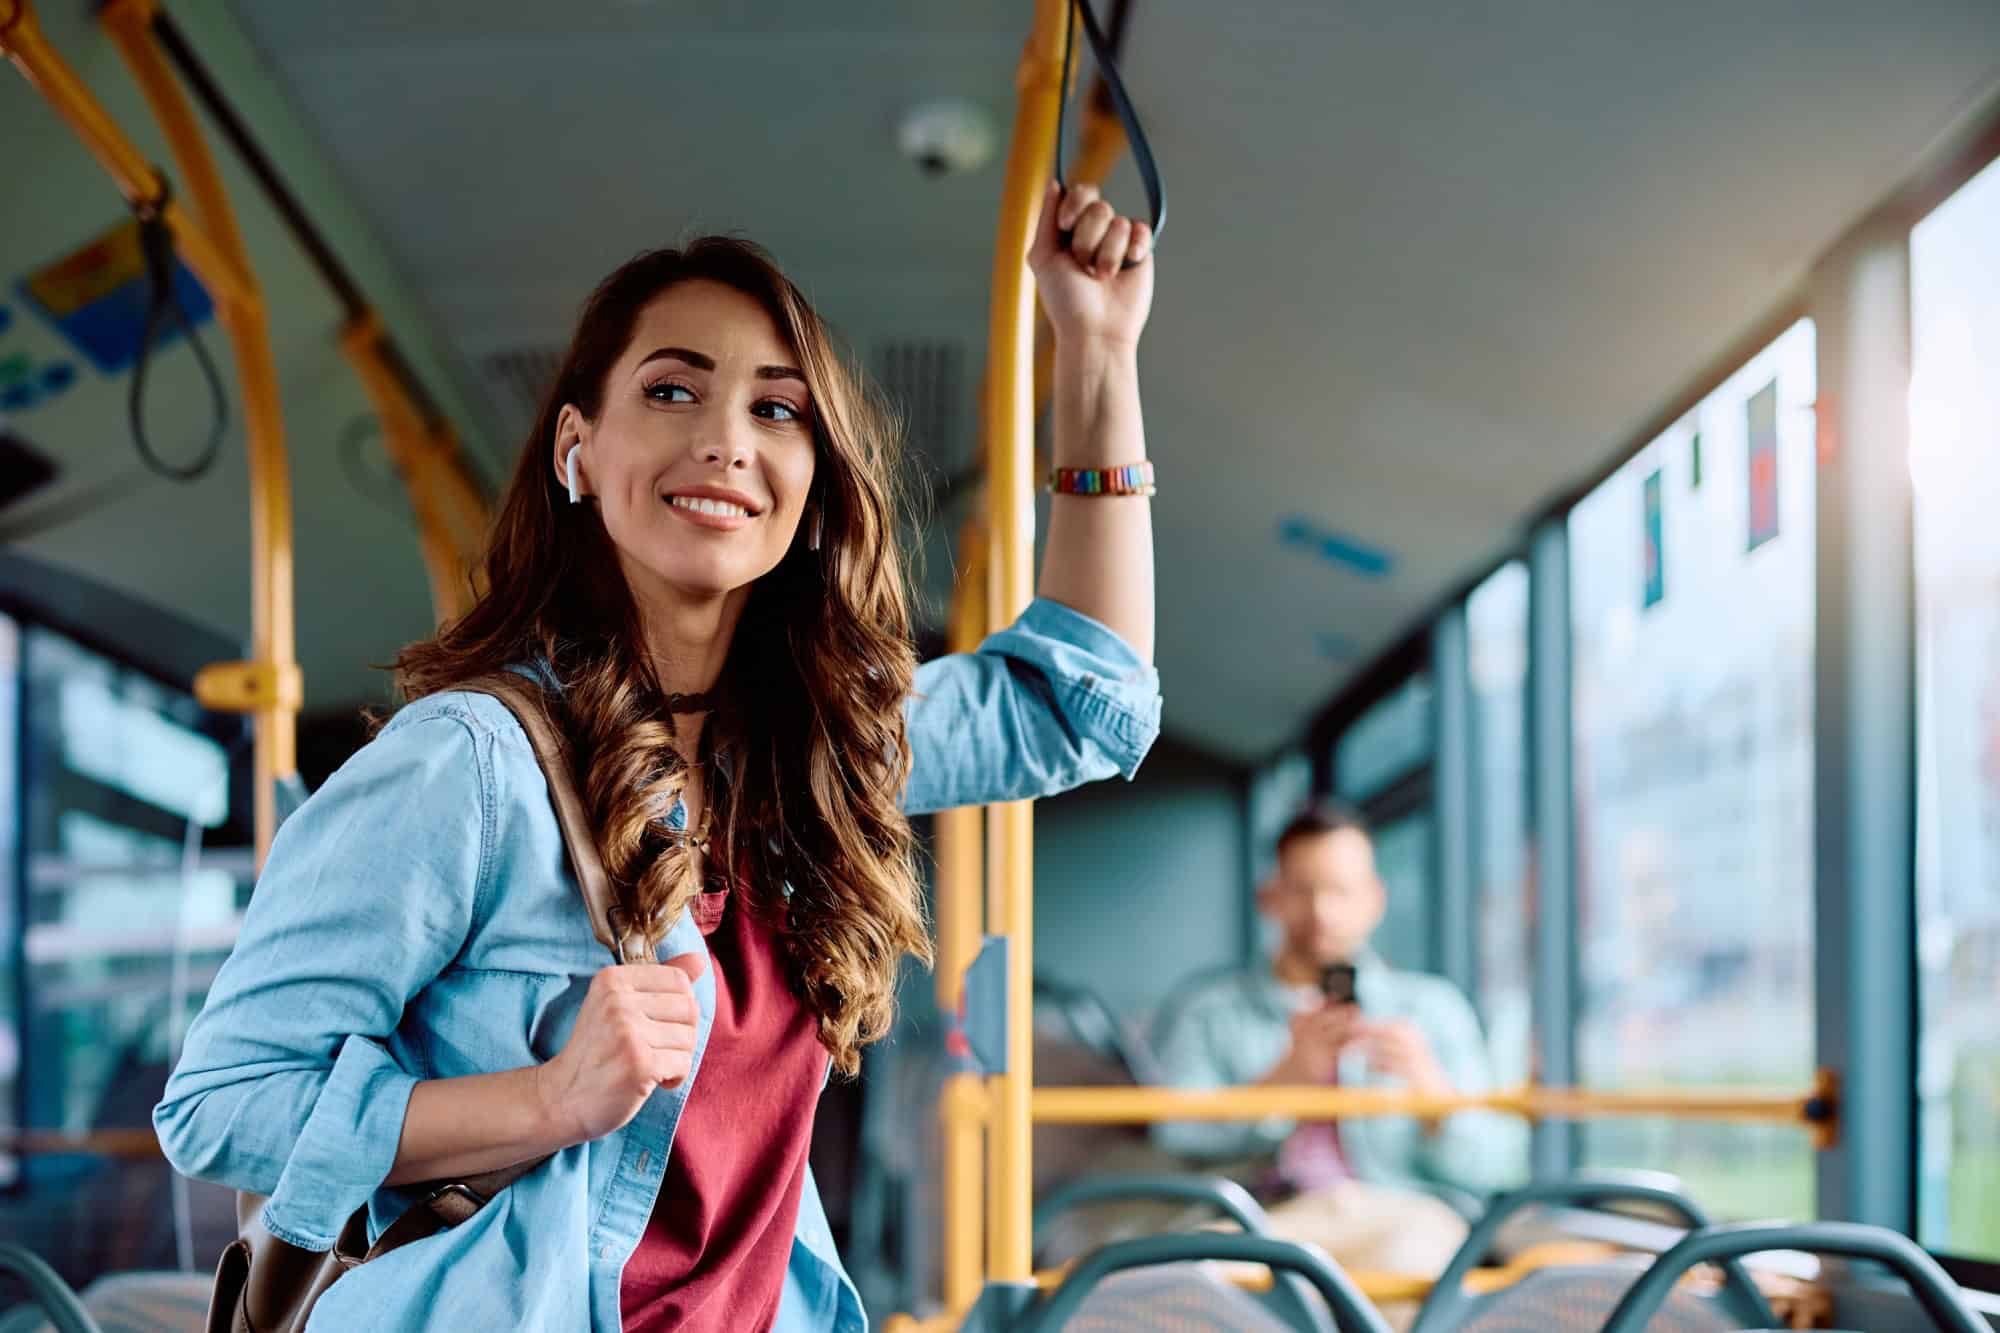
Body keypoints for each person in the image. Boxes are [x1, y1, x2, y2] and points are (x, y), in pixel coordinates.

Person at [154, 183, 1159, 1333]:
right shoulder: (469, 767)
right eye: (672, 389)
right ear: (578, 447)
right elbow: (222, 1105)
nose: (725, 438)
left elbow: (1085, 706)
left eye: (777, 411)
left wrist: (1095, 345)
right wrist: (546, 1099)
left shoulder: (805, 756)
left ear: (814, 486)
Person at [1152, 802, 1526, 1276]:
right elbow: (1174, 1137)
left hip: (1401, 1216)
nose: (1321, 911)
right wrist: (1282, 1085)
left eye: (1340, 891)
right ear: (1269, 896)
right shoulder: (1208, 1010)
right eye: (1302, 890)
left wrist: (1432, 1095)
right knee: (1195, 1282)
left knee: (1412, 1266)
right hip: (1260, 1218)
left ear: (1374, 899)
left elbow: (1497, 1164)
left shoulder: (1432, 1009)